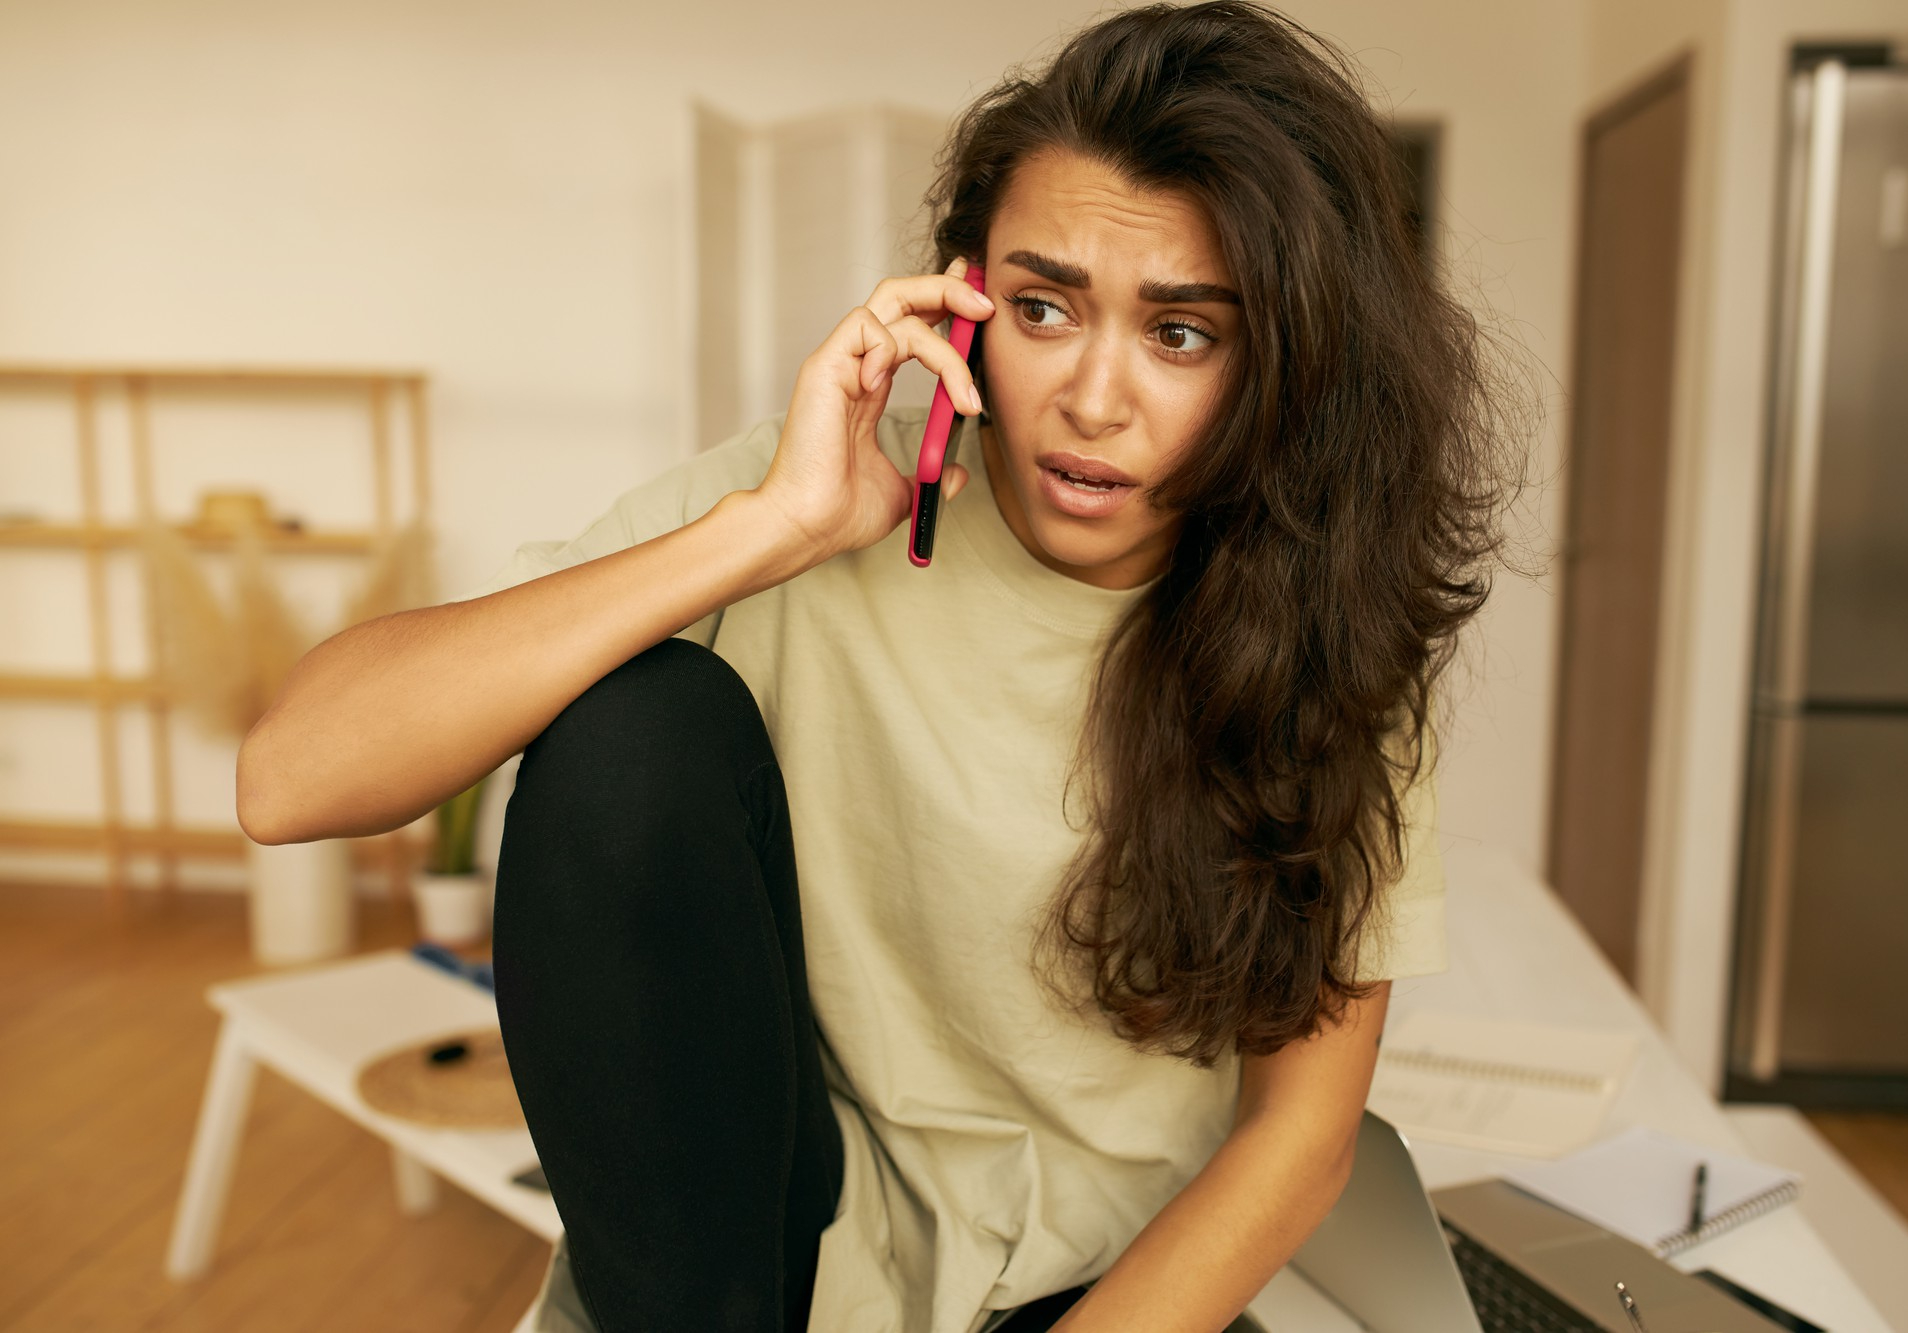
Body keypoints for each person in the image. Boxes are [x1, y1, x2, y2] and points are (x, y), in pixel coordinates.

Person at [237, 3, 1518, 1329]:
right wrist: (768, 530)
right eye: (1042, 307)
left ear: (1280, 367)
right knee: (629, 720)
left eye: (1180, 333)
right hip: (762, 1234)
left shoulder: (1334, 637)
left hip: (1084, 1281)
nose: (1093, 395)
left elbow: (1298, 1137)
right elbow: (287, 780)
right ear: (961, 301)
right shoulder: (816, 495)